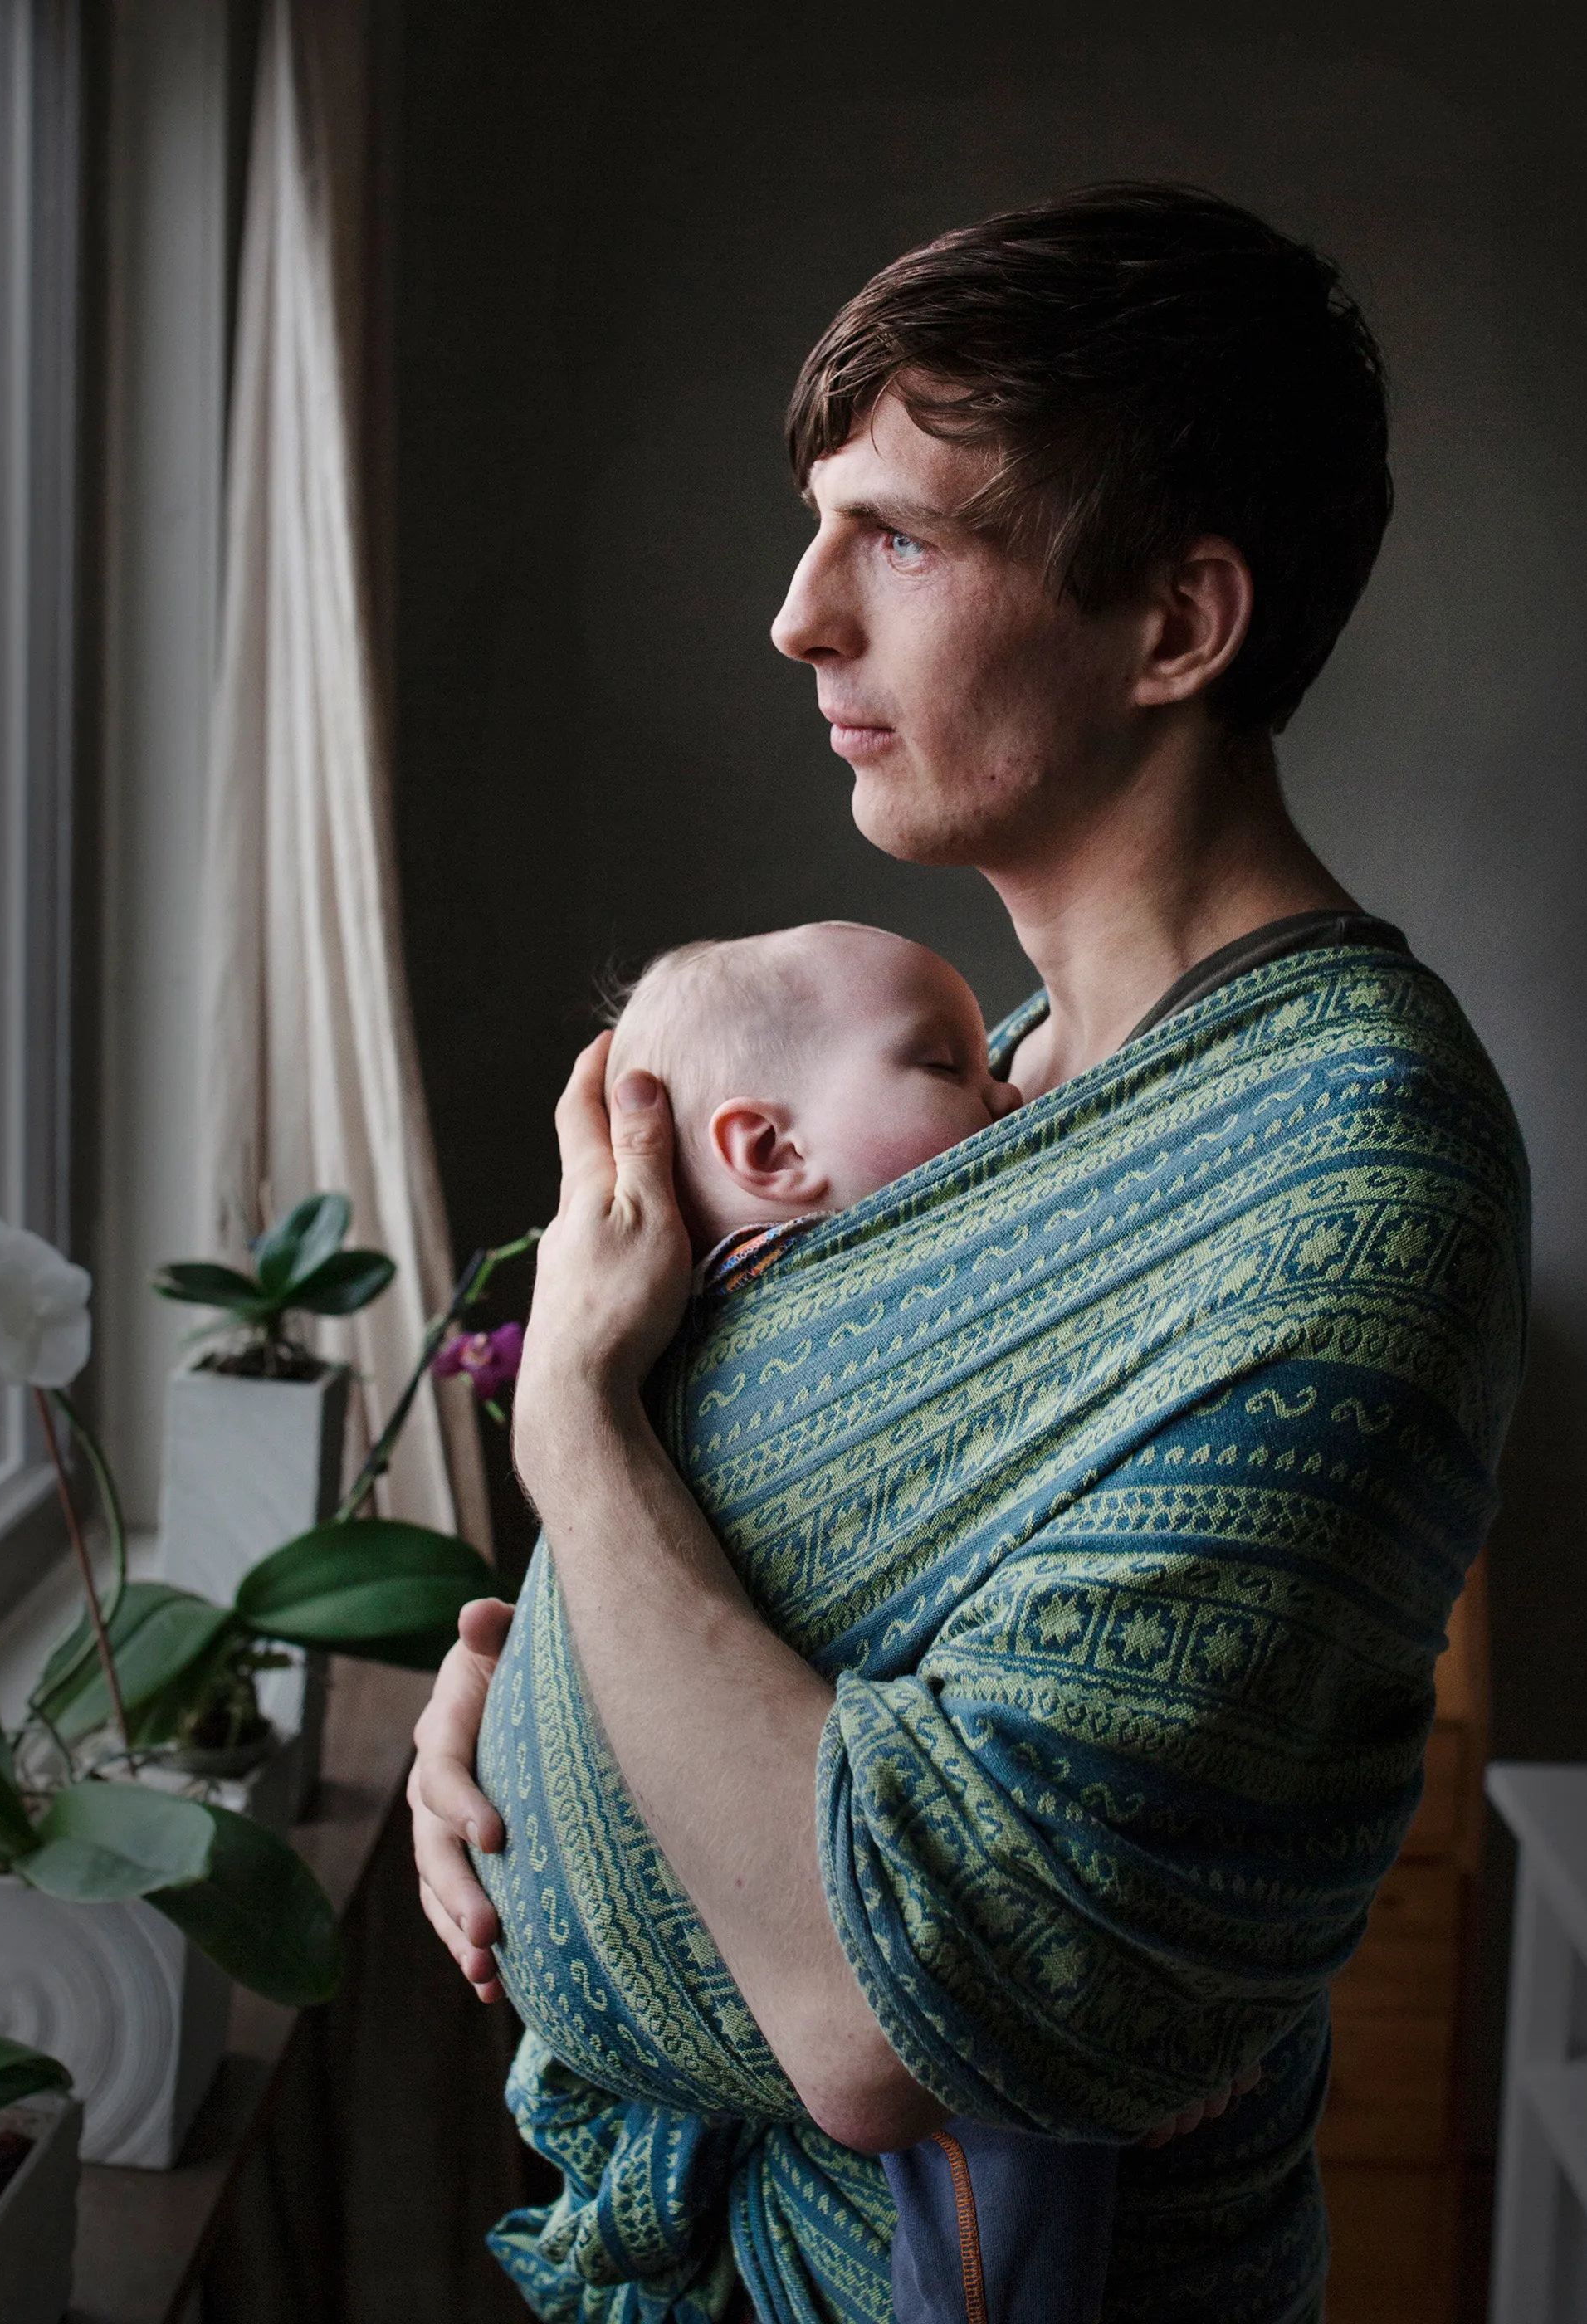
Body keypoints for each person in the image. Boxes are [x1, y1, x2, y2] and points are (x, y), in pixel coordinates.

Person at [410, 185, 1529, 2324]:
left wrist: (570, 1416)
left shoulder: (1353, 1178)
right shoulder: (1011, 1077)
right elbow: (828, 1580)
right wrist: (535, 1681)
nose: (797, 617)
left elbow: (893, 2012)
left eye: (899, 538)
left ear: (1180, 624)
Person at [485, 920, 1128, 2324]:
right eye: (951, 1065)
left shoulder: (675, 1333)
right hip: (800, 1938)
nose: (1012, 1095)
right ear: (770, 1156)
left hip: (719, 1945)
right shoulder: (815, 1329)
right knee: (1023, 2071)